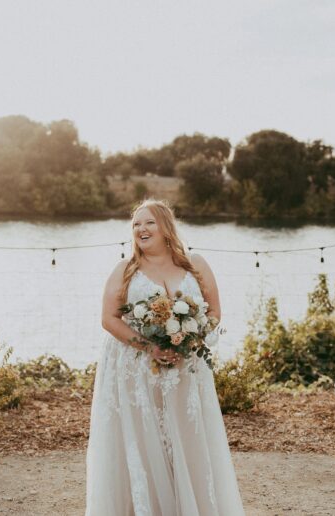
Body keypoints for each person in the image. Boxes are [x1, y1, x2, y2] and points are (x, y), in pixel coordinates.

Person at [86, 199, 245, 515]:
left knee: (185, 439)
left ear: (166, 227)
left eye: (149, 223)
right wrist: (150, 347)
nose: (141, 229)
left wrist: (190, 339)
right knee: (144, 442)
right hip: (137, 371)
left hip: (186, 370)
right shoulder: (126, 270)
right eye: (136, 224)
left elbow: (213, 312)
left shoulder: (194, 265)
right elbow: (109, 319)